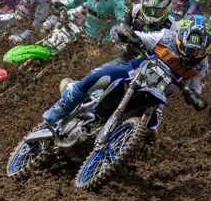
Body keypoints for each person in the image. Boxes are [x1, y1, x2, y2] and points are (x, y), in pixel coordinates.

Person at [42, 15, 210, 126]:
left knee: (152, 128)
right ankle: (60, 108)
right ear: (180, 38)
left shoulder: (201, 66)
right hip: (133, 73)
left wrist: (194, 97)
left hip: (158, 96)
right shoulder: (166, 37)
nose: (191, 54)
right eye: (189, 48)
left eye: (198, 51)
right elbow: (137, 35)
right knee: (100, 74)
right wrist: (128, 35)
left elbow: (195, 91)